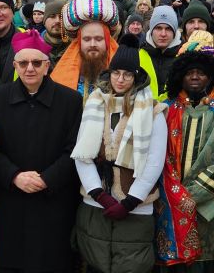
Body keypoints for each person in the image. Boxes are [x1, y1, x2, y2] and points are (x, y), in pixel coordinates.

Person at [0, 29, 82, 272]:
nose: (30, 68)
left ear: (47, 66)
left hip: (54, 198)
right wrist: (15, 176)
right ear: (15, 66)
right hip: (13, 198)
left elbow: (74, 149)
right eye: (24, 63)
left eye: (37, 63)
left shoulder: (70, 101)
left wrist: (47, 179)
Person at [72, 33, 167, 272]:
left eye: (127, 74)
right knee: (96, 260)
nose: (121, 79)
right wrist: (99, 194)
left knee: (131, 263)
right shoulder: (95, 103)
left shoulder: (152, 111)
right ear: (109, 73)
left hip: (136, 204)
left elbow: (154, 161)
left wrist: (130, 201)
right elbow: (82, 154)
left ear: (136, 77)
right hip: (96, 203)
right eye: (116, 73)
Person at [155, 31, 214, 271]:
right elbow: (156, 157)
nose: (195, 77)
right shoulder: (166, 109)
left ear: (211, 76)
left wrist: (193, 195)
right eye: (189, 73)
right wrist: (176, 194)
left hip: (210, 208)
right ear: (180, 77)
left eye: (201, 73)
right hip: (170, 203)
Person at [139, 5, 182, 99]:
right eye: (158, 28)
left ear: (174, 32)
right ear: (151, 30)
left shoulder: (183, 56)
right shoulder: (139, 55)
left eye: (168, 29)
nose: (163, 34)